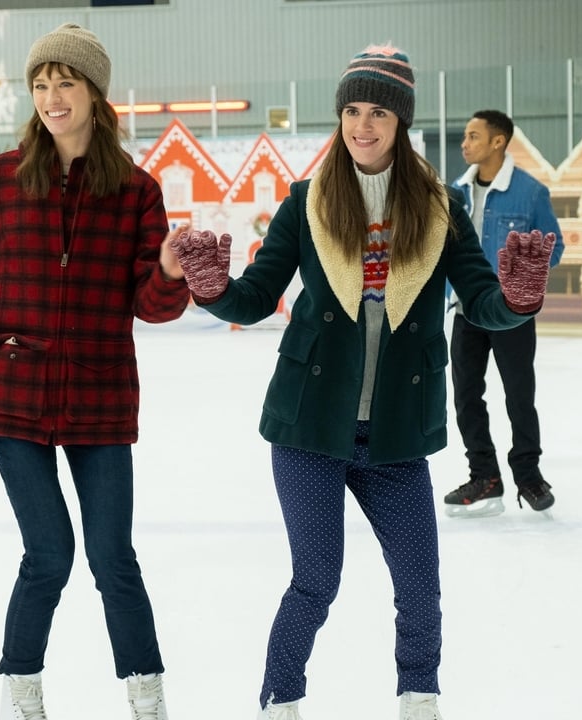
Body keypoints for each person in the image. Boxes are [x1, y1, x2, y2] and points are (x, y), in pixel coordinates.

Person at [167, 45, 555, 720]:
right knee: (316, 582)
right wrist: (212, 288)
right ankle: (280, 702)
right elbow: (255, 297)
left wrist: (518, 300)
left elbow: (481, 298)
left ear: (401, 121)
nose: (362, 125)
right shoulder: (309, 202)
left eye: (378, 111)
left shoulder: (441, 207)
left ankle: (419, 701)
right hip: (310, 427)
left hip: (396, 433)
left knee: (420, 586)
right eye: (351, 110)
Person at [0, 22, 187, 720]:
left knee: (112, 558)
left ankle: (146, 695)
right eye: (42, 84)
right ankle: (21, 692)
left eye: (66, 82)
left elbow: (151, 304)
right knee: (48, 553)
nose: (52, 97)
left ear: (95, 93)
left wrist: (170, 271)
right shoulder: (1, 178)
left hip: (99, 394)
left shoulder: (135, 191)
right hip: (12, 391)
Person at [442, 110, 564, 517]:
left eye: (473, 136)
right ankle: (485, 477)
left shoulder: (530, 192)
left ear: (498, 141)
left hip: (511, 313)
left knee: (519, 396)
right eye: (465, 136)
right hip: (466, 310)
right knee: (465, 398)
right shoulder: (456, 193)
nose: (464, 144)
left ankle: (528, 477)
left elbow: (554, 247)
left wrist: (525, 277)